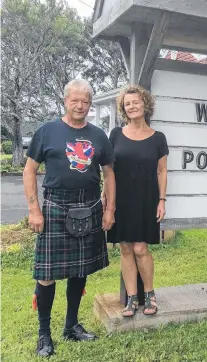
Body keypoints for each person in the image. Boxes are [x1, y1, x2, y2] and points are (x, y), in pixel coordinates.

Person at [23, 79, 116, 357]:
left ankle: (71, 326)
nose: (80, 106)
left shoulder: (98, 135)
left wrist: (109, 209)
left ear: (90, 104)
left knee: (80, 269)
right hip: (55, 206)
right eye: (75, 100)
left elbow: (109, 173)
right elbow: (29, 171)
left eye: (85, 102)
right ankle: (44, 335)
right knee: (47, 275)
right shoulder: (47, 131)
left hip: (89, 205)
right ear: (65, 101)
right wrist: (33, 209)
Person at [103, 85, 168, 318]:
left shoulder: (158, 138)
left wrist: (162, 200)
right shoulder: (115, 135)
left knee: (141, 248)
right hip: (121, 198)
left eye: (135, 102)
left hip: (146, 198)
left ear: (145, 104)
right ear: (124, 108)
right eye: (127, 103)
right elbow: (108, 169)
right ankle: (131, 298)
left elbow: (162, 171)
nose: (132, 106)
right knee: (125, 247)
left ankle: (149, 294)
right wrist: (106, 196)